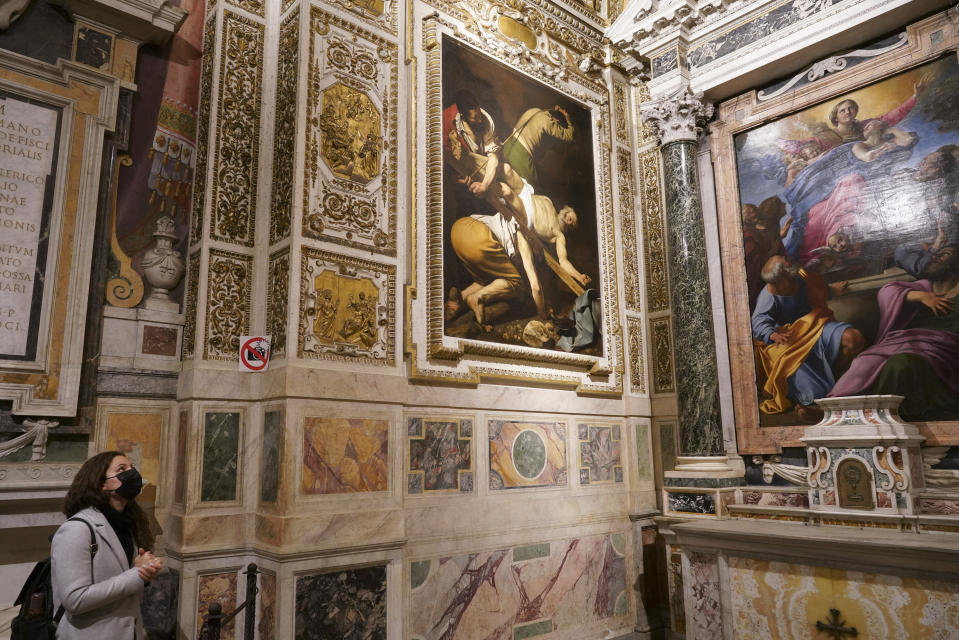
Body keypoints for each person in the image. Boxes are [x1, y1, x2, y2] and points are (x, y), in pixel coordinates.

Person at [829, 244, 959, 420]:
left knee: (901, 363)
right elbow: (887, 291)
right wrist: (921, 296)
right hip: (904, 343)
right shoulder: (924, 287)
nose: (934, 257)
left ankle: (868, 418)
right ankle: (835, 410)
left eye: (945, 255)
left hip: (944, 351)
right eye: (936, 253)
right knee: (864, 361)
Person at [52, 451, 162, 639]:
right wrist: (137, 574)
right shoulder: (76, 529)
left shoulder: (127, 524)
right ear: (101, 483)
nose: (132, 473)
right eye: (122, 469)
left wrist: (146, 572)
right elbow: (75, 600)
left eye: (131, 467)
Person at [751, 255, 865, 419]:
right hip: (788, 337)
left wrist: (832, 290)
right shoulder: (769, 293)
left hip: (815, 326)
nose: (789, 260)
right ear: (782, 273)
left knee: (854, 339)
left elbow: (817, 288)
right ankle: (817, 405)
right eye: (785, 261)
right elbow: (759, 321)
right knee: (790, 361)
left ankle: (839, 391)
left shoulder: (800, 277)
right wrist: (772, 334)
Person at [501, 105, 574, 188]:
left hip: (508, 146)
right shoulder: (547, 121)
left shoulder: (534, 110)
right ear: (556, 120)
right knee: (533, 188)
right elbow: (569, 136)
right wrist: (568, 119)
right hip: (520, 154)